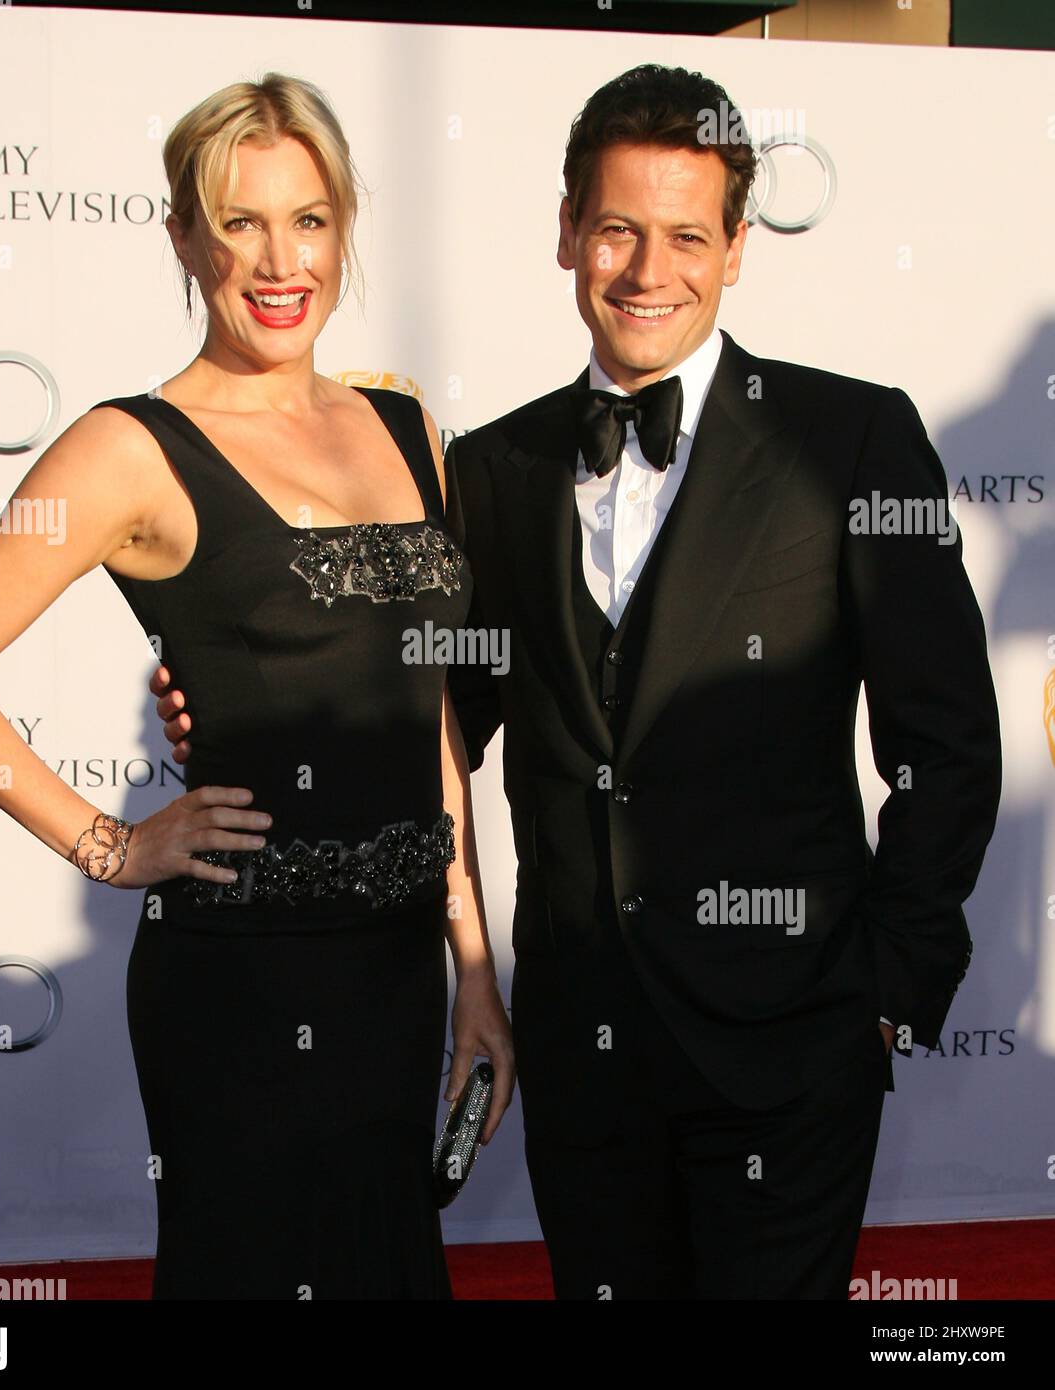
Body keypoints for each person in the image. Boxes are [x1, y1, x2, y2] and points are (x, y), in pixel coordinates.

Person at [159, 62, 1003, 1300]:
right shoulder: (492, 469)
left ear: (734, 249)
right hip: (585, 1054)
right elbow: (437, 717)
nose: (646, 271)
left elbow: (946, 739)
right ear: (566, 234)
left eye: (683, 236)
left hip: (788, 1048)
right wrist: (238, 700)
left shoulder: (849, 442)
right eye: (615, 229)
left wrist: (881, 993)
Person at [0, 73, 514, 1301]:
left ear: (342, 229)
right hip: (239, 983)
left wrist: (473, 966)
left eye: (309, 219)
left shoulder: (403, 425)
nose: (281, 261)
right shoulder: (131, 446)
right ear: (182, 235)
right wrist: (110, 844)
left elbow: (428, 712)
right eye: (240, 222)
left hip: (393, 977)